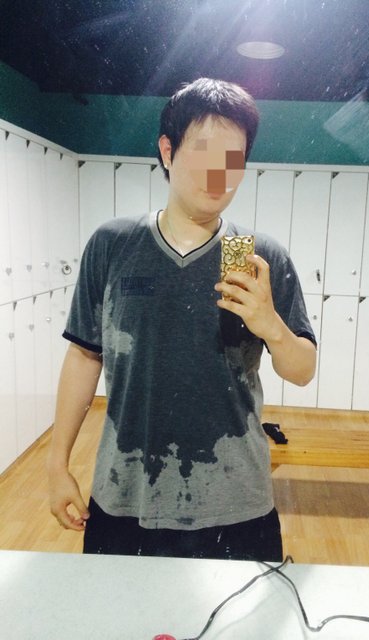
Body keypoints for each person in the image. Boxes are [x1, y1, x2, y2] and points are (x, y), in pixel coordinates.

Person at [47, 77, 317, 562]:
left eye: (233, 159)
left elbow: (302, 370)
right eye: (204, 153)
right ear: (168, 151)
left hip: (236, 501)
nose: (219, 173)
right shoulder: (113, 244)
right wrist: (56, 462)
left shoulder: (259, 255)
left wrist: (271, 326)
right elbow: (85, 356)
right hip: (126, 493)